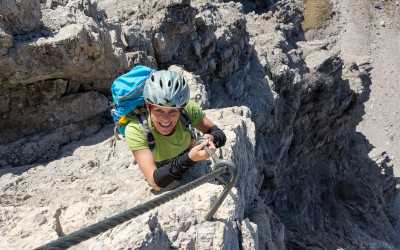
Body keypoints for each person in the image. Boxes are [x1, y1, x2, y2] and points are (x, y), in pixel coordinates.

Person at [125, 70, 226, 191]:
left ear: (181, 109)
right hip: (164, 166)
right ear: (148, 108)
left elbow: (219, 135)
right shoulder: (135, 130)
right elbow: (155, 182)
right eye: (159, 110)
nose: (165, 119)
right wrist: (189, 158)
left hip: (186, 153)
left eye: (173, 111)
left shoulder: (188, 109)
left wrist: (211, 139)